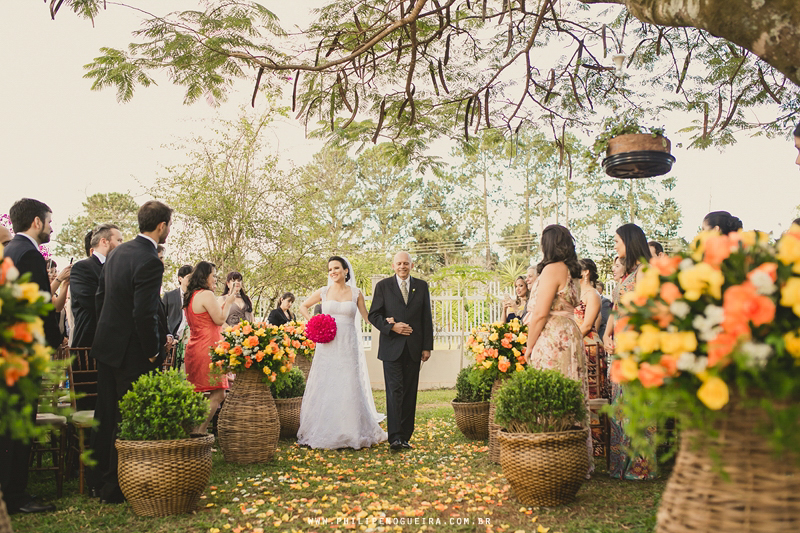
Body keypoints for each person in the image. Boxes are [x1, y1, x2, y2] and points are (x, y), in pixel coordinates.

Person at [90, 200, 172, 503]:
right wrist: (152, 350)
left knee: (106, 413)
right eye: (168, 226)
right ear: (162, 226)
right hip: (132, 351)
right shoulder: (150, 260)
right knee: (127, 417)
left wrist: (107, 333)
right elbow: (144, 312)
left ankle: (98, 480)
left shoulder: (117, 253)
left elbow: (101, 297)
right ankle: (116, 487)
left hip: (107, 346)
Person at [1, 198, 65, 515]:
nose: (52, 227)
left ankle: (8, 492)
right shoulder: (28, 254)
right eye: (49, 221)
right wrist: (56, 342)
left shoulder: (8, 251)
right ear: (36, 222)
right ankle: (16, 497)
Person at [298, 256, 388, 449]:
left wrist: (386, 322)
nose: (333, 272)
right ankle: (324, 428)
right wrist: (314, 322)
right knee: (326, 383)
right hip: (327, 344)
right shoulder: (323, 292)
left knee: (348, 383)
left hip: (347, 345)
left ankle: (351, 430)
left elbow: (368, 317)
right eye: (330, 269)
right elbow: (303, 306)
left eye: (337, 268)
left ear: (346, 270)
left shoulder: (356, 293)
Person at [522, 225, 590, 470]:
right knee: (570, 390)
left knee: (550, 391)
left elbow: (540, 313)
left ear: (548, 244)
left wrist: (529, 347)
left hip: (553, 336)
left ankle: (553, 459)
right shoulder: (573, 271)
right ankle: (574, 458)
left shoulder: (552, 269)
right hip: (570, 333)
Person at [604, 223, 657, 481]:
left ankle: (639, 467)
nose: (614, 245)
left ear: (629, 240)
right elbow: (616, 308)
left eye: (617, 241)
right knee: (621, 405)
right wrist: (606, 335)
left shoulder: (645, 273)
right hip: (620, 345)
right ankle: (620, 464)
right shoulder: (628, 274)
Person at [369, 252, 434, 451]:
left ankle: (405, 436)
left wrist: (426, 346)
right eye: (399, 263)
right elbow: (374, 315)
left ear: (411, 265)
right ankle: (395, 437)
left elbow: (426, 317)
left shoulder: (421, 286)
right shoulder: (383, 286)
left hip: (414, 349)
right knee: (395, 390)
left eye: (406, 263)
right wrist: (392, 328)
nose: (402, 267)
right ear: (393, 266)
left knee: (409, 392)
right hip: (391, 348)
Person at [184, 261, 234, 434]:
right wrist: (229, 302)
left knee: (198, 394)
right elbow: (220, 320)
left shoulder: (191, 295)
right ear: (205, 276)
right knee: (219, 393)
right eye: (213, 275)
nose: (215, 279)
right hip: (208, 349)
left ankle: (194, 432)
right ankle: (199, 433)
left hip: (194, 347)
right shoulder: (206, 294)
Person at [71, 224, 123, 348]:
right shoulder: (82, 268)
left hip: (117, 347)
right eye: (119, 240)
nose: (122, 245)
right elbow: (92, 301)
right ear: (104, 241)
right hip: (90, 345)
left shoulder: (120, 269)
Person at [575, 259, 608, 400]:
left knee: (592, 390)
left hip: (589, 345)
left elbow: (588, 325)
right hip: (577, 343)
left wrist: (573, 339)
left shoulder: (593, 294)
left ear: (586, 272)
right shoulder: (576, 293)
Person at [162, 264, 193, 338]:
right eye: (188, 277)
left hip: (192, 337)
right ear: (180, 279)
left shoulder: (196, 296)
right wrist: (168, 335)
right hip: (174, 336)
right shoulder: (169, 296)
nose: (191, 280)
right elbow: (161, 318)